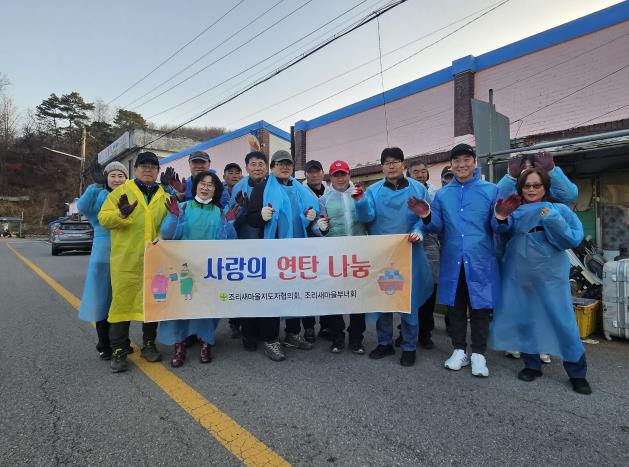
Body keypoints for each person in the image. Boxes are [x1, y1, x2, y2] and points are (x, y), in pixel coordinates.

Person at [411, 144, 513, 377]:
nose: (461, 165)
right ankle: (459, 350)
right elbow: (437, 227)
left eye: (466, 159)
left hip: (481, 260)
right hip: (452, 258)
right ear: (451, 165)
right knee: (455, 307)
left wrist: (502, 217)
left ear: (475, 162)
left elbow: (500, 228)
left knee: (480, 308)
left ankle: (478, 354)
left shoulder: (491, 190)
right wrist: (426, 216)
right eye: (456, 160)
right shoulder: (443, 194)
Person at [489, 168, 592, 394]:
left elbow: (571, 239)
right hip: (518, 275)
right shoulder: (515, 211)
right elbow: (499, 234)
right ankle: (531, 365)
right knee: (525, 319)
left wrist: (552, 219)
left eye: (536, 185)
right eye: (527, 185)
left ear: (545, 187)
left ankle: (577, 373)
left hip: (551, 276)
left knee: (562, 321)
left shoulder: (559, 209)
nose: (532, 189)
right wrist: (501, 217)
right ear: (520, 188)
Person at [353, 147, 434, 367]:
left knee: (409, 301)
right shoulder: (373, 190)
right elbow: (367, 217)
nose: (391, 166)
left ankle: (409, 346)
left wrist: (419, 230)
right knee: (384, 299)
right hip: (383, 254)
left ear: (403, 164)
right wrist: (360, 201)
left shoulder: (418, 188)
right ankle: (385, 343)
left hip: (410, 252)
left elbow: (426, 217)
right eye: (387, 162)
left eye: (395, 161)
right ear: (382, 167)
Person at [498, 151, 578, 362]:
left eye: (534, 170)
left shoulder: (552, 200)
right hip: (517, 255)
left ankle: (544, 345)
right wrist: (509, 177)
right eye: (524, 170)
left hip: (548, 257)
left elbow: (570, 195)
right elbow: (496, 201)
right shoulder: (515, 195)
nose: (530, 181)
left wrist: (553, 171)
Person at [98, 151, 170, 373]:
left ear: (157, 171)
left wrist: (164, 236)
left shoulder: (165, 196)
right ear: (135, 169)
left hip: (155, 260)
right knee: (122, 305)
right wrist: (121, 214)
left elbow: (171, 222)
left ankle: (148, 344)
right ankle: (119, 351)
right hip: (126, 260)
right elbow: (103, 218)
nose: (148, 169)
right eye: (143, 166)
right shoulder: (122, 191)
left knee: (152, 303)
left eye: (152, 166)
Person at [159, 171, 237, 367]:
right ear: (195, 186)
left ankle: (205, 343)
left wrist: (228, 224)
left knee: (207, 307)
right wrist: (174, 217)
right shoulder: (183, 207)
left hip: (208, 270)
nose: (205, 187)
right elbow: (167, 235)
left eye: (211, 185)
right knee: (181, 306)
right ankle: (180, 346)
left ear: (216, 190)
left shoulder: (219, 212)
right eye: (202, 183)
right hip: (183, 268)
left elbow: (230, 242)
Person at [247, 150, 319, 360]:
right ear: (272, 167)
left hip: (297, 250)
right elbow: (251, 218)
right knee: (273, 295)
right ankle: (270, 339)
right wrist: (261, 216)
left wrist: (311, 217)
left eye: (288, 164)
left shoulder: (300, 189)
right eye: (280, 164)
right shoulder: (262, 188)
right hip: (272, 251)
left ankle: (292, 334)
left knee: (294, 292)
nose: (285, 167)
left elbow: (310, 215)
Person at [312, 159, 368, 354]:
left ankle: (356, 339)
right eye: (336, 175)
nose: (340, 178)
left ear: (349, 174)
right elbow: (318, 225)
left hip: (358, 253)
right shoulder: (324, 199)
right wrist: (320, 228)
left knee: (358, 297)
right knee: (335, 297)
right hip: (335, 254)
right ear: (331, 177)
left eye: (343, 174)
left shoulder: (359, 194)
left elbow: (369, 217)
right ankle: (337, 338)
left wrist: (362, 201)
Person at [77, 161, 128, 360]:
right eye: (112, 175)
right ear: (105, 178)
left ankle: (120, 342)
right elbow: (82, 206)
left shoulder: (130, 195)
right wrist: (96, 186)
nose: (117, 179)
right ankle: (104, 343)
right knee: (103, 301)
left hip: (124, 254)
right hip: (103, 255)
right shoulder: (98, 195)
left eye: (121, 175)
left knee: (121, 300)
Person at [228, 151, 275, 349]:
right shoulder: (239, 187)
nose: (257, 168)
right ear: (246, 167)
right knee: (248, 292)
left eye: (261, 164)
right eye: (253, 164)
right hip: (246, 246)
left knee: (267, 292)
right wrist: (241, 209)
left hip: (270, 247)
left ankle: (265, 332)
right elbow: (230, 220)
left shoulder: (274, 184)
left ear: (267, 167)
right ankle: (248, 333)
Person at [405, 160, 440, 349]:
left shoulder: (435, 194)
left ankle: (425, 332)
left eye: (423, 171)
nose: (420, 174)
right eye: (416, 172)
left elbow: (439, 222)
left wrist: (426, 219)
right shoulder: (405, 192)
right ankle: (406, 331)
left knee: (429, 287)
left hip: (429, 244)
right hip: (408, 244)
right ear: (409, 174)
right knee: (408, 290)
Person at [301, 159, 330, 342]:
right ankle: (309, 326)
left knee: (326, 285)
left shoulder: (330, 191)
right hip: (307, 245)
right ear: (305, 174)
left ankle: (326, 325)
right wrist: (307, 219)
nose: (314, 175)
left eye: (317, 171)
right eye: (310, 172)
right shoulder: (300, 191)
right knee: (308, 287)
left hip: (327, 246)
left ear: (322, 173)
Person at [161, 151, 230, 207]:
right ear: (189, 164)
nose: (199, 166)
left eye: (203, 162)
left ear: (209, 164)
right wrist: (180, 194)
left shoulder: (219, 186)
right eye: (195, 162)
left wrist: (212, 201)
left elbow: (225, 210)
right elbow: (172, 207)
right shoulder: (183, 185)